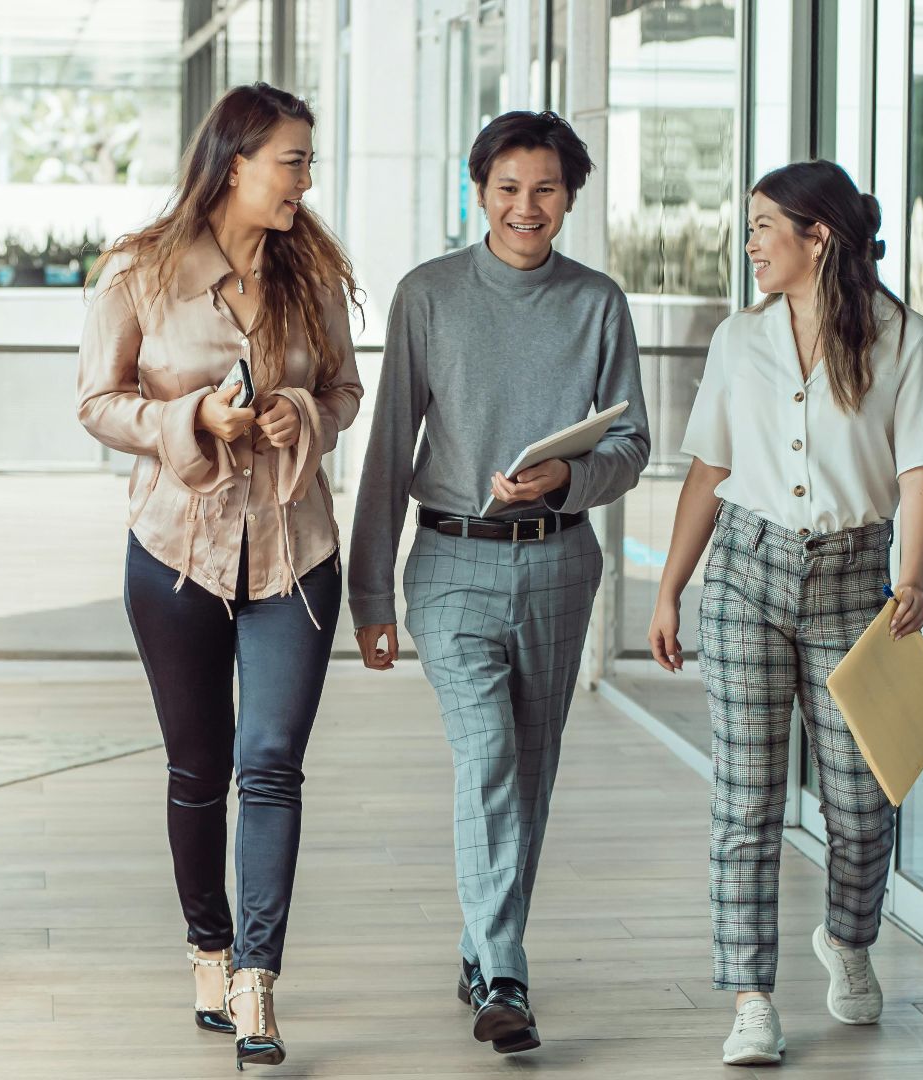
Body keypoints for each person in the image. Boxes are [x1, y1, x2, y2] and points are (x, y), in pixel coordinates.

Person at [347, 110, 650, 1055]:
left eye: (547, 190)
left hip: (560, 562)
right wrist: (367, 598)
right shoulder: (428, 295)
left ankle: (484, 949)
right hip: (450, 562)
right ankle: (505, 973)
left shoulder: (599, 303)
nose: (528, 207)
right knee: (487, 757)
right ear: (479, 192)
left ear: (570, 198)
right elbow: (390, 445)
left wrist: (568, 476)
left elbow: (631, 445)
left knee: (532, 768)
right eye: (509, 188)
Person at [76, 82, 362, 1070]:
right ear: (235, 160)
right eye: (292, 160)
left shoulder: (312, 275)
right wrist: (193, 418)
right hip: (174, 554)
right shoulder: (140, 271)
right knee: (200, 772)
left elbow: (344, 389)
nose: (305, 179)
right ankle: (208, 946)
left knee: (272, 764)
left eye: (307, 162)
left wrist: (299, 413)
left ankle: (256, 980)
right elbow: (99, 402)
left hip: (298, 554)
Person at [646, 160, 923, 1066]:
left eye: (762, 229)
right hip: (745, 574)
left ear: (817, 238)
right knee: (747, 802)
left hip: (858, 586)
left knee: (863, 804)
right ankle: (751, 998)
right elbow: (708, 469)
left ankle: (848, 939)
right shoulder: (738, 341)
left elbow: (920, 474)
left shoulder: (908, 339)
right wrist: (670, 586)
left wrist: (915, 574)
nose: (749, 246)